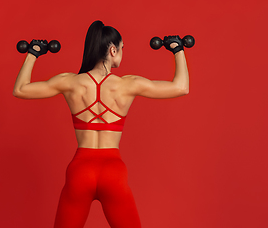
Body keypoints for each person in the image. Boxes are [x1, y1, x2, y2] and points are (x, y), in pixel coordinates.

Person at [13, 20, 189, 228]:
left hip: (80, 170)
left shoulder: (69, 82)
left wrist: (33, 52)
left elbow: (21, 89)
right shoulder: (128, 84)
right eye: (122, 48)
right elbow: (181, 87)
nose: (123, 53)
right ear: (112, 50)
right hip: (113, 171)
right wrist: (177, 49)